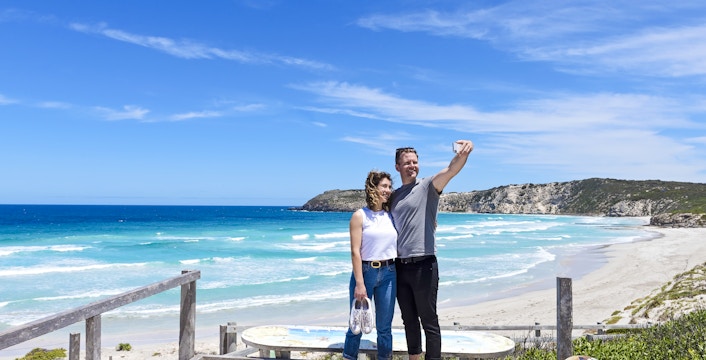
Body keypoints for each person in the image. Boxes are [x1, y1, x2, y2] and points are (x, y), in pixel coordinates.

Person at [391, 140, 474, 360]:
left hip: (424, 264)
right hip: (400, 266)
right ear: (397, 166)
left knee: (428, 320)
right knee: (409, 320)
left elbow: (451, 170)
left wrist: (465, 153)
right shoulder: (393, 196)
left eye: (415, 162)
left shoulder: (428, 186)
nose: (412, 166)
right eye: (407, 162)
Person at [342, 170, 398, 360]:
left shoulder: (391, 214)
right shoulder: (360, 216)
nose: (388, 190)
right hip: (365, 272)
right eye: (384, 186)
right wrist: (359, 283)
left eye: (390, 187)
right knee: (356, 325)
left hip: (389, 273)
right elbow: (355, 251)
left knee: (384, 328)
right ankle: (349, 356)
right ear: (373, 187)